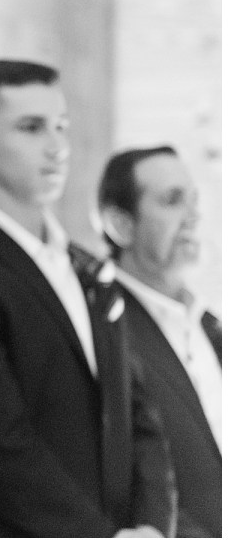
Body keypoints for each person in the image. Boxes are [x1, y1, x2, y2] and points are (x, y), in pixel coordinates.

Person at [0, 59, 176, 537]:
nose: (58, 147)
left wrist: (152, 526)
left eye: (61, 127)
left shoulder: (87, 267)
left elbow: (138, 414)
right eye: (31, 128)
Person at [97, 145, 221, 537]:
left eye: (194, 200)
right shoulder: (100, 324)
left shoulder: (210, 326)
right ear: (121, 225)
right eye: (172, 200)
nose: (193, 216)